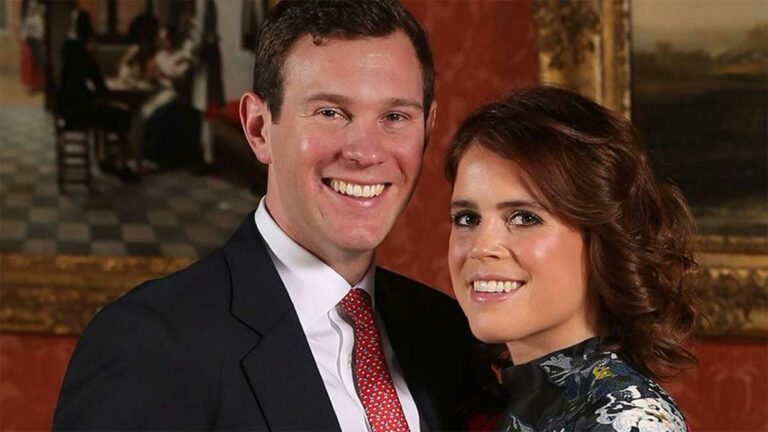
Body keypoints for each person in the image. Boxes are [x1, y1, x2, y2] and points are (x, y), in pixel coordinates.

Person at [53, 1, 490, 430]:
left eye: (395, 116)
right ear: (259, 128)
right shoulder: (148, 346)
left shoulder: (446, 331)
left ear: (428, 128)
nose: (365, 152)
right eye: (330, 112)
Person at [445, 86, 698, 431]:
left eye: (524, 217)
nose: (480, 246)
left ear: (601, 238)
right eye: (467, 218)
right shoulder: (485, 401)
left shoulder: (628, 421)